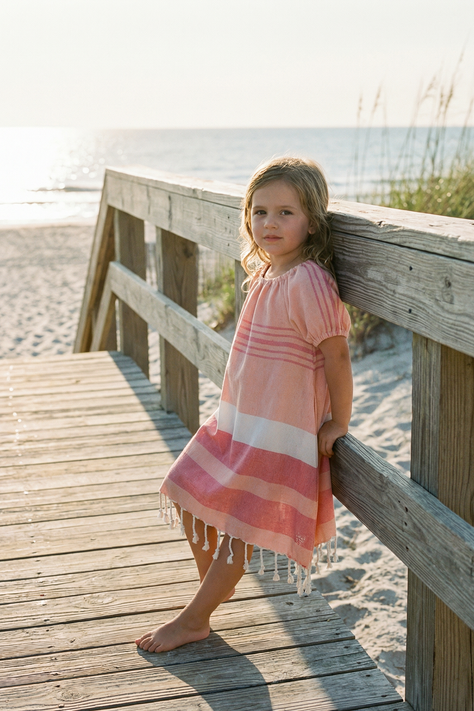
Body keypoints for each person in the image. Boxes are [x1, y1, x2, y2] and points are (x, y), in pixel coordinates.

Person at [136, 156, 353, 653]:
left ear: (313, 221)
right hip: (237, 420)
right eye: (259, 212)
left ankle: (197, 615)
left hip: (278, 428)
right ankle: (214, 587)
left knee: (238, 528)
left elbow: (336, 355)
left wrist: (339, 421)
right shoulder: (265, 273)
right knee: (187, 493)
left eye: (285, 213)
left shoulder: (309, 282)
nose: (269, 223)